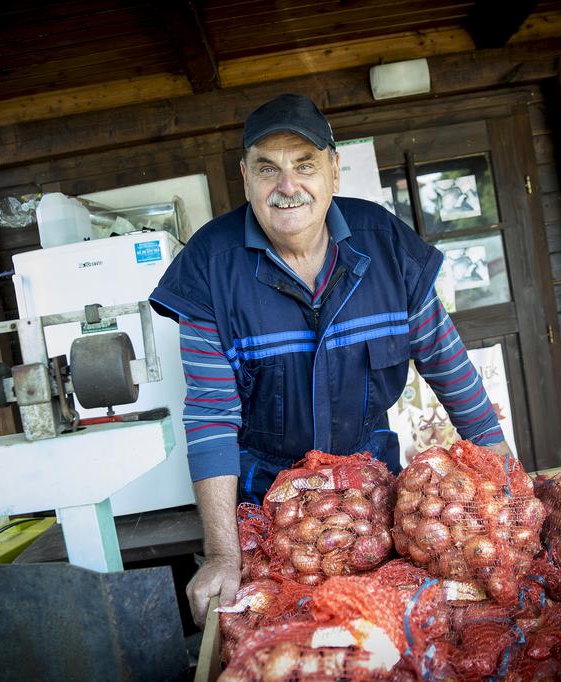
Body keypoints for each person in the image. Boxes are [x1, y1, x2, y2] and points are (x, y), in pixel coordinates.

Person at [149, 93, 512, 627]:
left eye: (305, 165)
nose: (287, 186)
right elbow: (211, 413)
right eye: (268, 168)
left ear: (334, 172)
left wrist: (506, 478)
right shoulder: (207, 266)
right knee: (289, 639)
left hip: (375, 494)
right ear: (245, 177)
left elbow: (446, 361)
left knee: (388, 632)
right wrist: (224, 554)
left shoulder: (387, 245)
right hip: (266, 502)